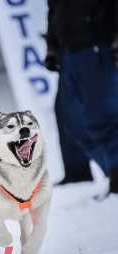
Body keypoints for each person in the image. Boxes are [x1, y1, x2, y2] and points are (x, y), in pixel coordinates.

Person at [45, 0, 118, 194]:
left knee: (102, 118)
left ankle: (114, 171)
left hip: (96, 48)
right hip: (68, 54)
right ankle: (109, 170)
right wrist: (52, 47)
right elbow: (53, 11)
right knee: (71, 122)